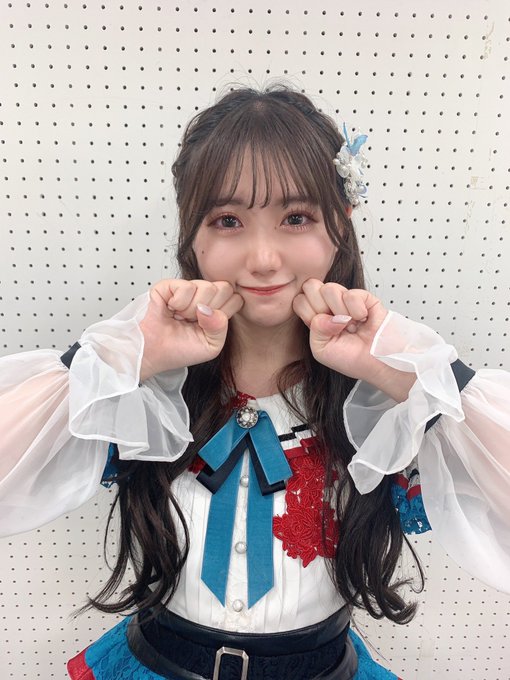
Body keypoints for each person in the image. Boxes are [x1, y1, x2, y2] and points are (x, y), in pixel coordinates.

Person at [0, 85, 509, 680]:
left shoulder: (387, 404)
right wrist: (117, 356)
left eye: (296, 218)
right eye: (228, 220)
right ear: (192, 235)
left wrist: (414, 372)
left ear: (341, 223)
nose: (263, 258)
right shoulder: (145, 392)